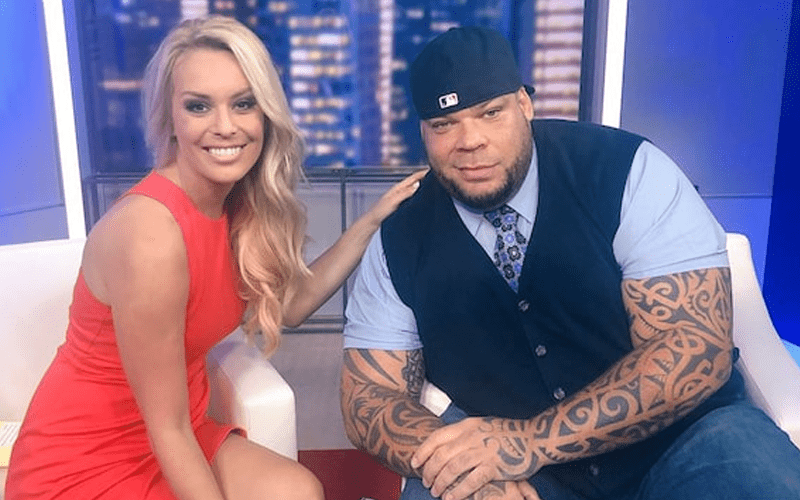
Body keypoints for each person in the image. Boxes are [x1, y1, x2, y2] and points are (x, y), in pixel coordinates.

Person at [340, 26, 800, 500]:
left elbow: (693, 348)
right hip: (528, 479)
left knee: (762, 480)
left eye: (490, 113)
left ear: (524, 105)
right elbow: (368, 399)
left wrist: (529, 441)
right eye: (444, 125)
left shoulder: (626, 170)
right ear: (423, 132)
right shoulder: (400, 236)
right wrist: (466, 465)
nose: (470, 140)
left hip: (687, 442)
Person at [5, 15, 425, 500]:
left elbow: (290, 306)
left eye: (243, 104)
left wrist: (370, 222)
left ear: (265, 114)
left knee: (296, 491)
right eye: (199, 106)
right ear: (171, 119)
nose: (225, 127)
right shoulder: (149, 234)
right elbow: (167, 428)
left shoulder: (235, 207)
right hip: (86, 457)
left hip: (177, 430)